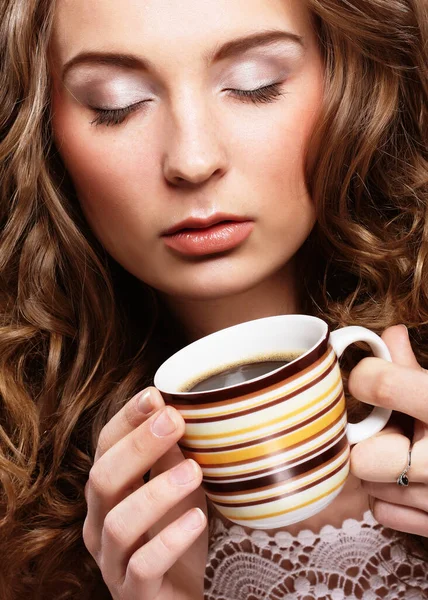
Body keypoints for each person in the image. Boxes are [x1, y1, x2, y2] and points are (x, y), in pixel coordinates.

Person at [0, 0, 427, 598]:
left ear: (351, 82)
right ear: (46, 132)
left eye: (255, 86)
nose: (193, 161)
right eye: (115, 102)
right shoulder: (18, 478)